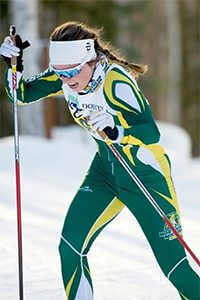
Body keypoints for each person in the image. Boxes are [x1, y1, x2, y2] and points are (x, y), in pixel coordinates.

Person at [1, 21, 199, 300]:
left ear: (90, 61)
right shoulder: (66, 75)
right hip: (106, 172)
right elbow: (21, 95)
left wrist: (117, 130)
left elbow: (150, 132)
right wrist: (13, 65)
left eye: (71, 71)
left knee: (175, 268)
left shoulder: (115, 82)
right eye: (60, 72)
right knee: (70, 247)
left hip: (144, 175)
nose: (67, 79)